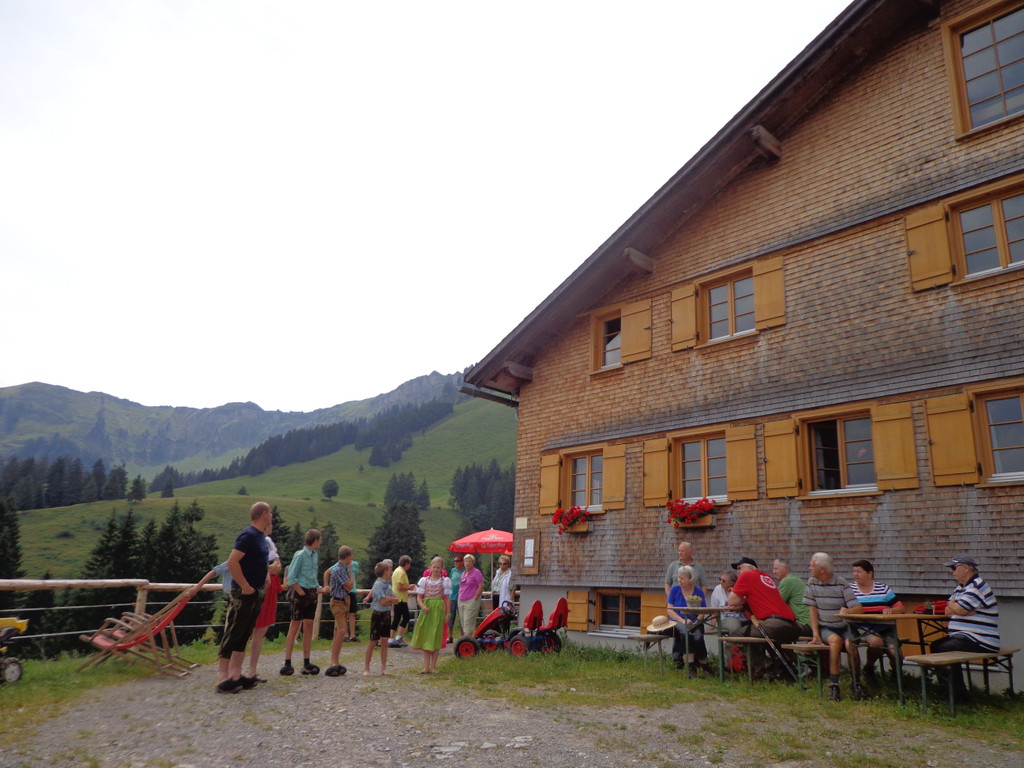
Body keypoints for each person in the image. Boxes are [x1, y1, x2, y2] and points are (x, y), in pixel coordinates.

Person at [214, 501, 272, 694]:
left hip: (257, 591)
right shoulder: (248, 536)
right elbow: (232, 562)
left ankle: (236, 674)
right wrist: (245, 586)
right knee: (234, 631)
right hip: (243, 593)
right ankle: (223, 677)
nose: (271, 516)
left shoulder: (261, 537)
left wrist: (264, 578)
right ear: (264, 514)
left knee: (245, 632)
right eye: (270, 512)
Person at [931, 554, 999, 701]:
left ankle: (956, 695)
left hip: (981, 639)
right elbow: (948, 612)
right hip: (966, 636)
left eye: (953, 568)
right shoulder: (961, 587)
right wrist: (956, 606)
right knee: (936, 646)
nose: (951, 572)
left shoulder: (977, 586)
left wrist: (955, 605)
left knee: (943, 648)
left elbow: (959, 610)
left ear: (966, 568)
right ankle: (951, 691)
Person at [726, 556, 800, 676]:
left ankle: (766, 667)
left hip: (774, 623)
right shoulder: (765, 576)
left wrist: (740, 596)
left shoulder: (747, 576)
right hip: (793, 624)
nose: (738, 572)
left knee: (736, 636)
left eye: (740, 568)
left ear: (751, 568)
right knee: (759, 635)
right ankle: (786, 666)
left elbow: (732, 601)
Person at [804, 552, 862, 702]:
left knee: (850, 645)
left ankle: (857, 683)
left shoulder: (841, 583)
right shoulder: (812, 583)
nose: (809, 568)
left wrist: (849, 611)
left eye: (812, 565)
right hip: (826, 627)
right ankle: (834, 685)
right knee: (835, 641)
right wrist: (815, 634)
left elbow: (858, 608)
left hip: (845, 627)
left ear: (822, 569)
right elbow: (812, 610)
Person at [848, 559, 905, 681]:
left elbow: (901, 608)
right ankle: (868, 667)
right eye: (854, 571)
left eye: (859, 571)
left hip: (885, 627)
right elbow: (844, 608)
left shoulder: (883, 588)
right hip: (863, 627)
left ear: (870, 573)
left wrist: (891, 610)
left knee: (896, 653)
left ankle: (896, 678)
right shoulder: (850, 589)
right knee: (876, 642)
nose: (855, 574)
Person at [280, 528, 323, 676]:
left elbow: (312, 574)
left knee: (309, 626)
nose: (321, 542)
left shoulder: (315, 555)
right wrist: (301, 592)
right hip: (301, 592)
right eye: (320, 539)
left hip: (312, 591)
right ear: (315, 540)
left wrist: (316, 587)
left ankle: (306, 661)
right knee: (294, 625)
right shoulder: (300, 556)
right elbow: (291, 576)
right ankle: (287, 662)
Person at [246, 537, 283, 683]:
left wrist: (266, 568)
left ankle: (252, 671)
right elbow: (253, 565)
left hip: (270, 590)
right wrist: (267, 568)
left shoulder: (268, 541)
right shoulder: (253, 540)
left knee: (261, 631)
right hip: (257, 588)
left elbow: (278, 566)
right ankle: (235, 671)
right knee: (248, 630)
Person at [667, 565, 711, 676]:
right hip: (678, 621)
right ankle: (691, 667)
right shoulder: (675, 590)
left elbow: (703, 610)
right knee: (686, 632)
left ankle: (705, 665)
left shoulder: (698, 592)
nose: (679, 580)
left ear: (690, 579)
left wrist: (697, 621)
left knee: (698, 637)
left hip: (694, 621)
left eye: (682, 578)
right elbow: (670, 610)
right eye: (679, 577)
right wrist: (683, 621)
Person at [410, 555, 451, 674]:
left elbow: (447, 598)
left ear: (442, 569)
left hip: (438, 609)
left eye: (439, 567)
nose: (436, 570)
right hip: (427, 610)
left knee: (436, 637)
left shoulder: (445, 581)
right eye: (434, 567)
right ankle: (426, 667)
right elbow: (419, 597)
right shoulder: (424, 581)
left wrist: (448, 613)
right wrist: (422, 606)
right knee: (427, 637)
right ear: (430, 567)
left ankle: (433, 666)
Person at [322, 545, 354, 677]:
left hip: (343, 601)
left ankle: (335, 660)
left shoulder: (341, 568)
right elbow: (349, 586)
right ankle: (334, 662)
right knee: (342, 630)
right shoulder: (340, 569)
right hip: (338, 602)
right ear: (348, 557)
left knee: (338, 631)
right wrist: (351, 572)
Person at [364, 561, 400, 676]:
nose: (391, 572)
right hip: (378, 614)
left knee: (384, 641)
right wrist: (390, 599)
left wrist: (389, 599)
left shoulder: (388, 585)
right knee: (373, 641)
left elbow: (396, 600)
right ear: (385, 571)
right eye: (389, 570)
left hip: (386, 614)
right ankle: (366, 668)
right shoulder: (378, 585)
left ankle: (383, 668)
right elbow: (383, 601)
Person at [772, 558, 811, 635]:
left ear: (785, 568)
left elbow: (776, 605)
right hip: (810, 624)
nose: (774, 572)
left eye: (776, 569)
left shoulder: (787, 581)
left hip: (803, 623)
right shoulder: (795, 579)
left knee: (774, 629)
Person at [708, 569, 747, 636]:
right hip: (725, 618)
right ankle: (734, 642)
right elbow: (714, 609)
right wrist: (713, 625)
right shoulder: (718, 589)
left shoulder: (740, 588)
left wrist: (734, 592)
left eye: (724, 581)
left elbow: (745, 604)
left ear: (732, 583)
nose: (721, 582)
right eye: (720, 579)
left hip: (743, 619)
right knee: (734, 624)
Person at [389, 555, 413, 648]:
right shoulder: (402, 572)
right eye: (409, 564)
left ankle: (391, 638)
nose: (410, 566)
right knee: (406, 617)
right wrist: (409, 588)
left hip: (396, 597)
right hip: (401, 598)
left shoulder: (396, 570)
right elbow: (399, 587)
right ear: (406, 563)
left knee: (397, 618)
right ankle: (398, 637)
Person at [457, 554, 484, 635]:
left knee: (468, 621)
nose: (467, 563)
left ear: (473, 563)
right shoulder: (463, 573)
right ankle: (467, 638)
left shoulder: (476, 572)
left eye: (469, 561)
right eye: (466, 561)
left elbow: (481, 585)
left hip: (471, 600)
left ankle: (467, 639)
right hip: (461, 600)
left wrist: (476, 596)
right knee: (463, 621)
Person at [447, 554, 465, 641]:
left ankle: (462, 636)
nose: (455, 562)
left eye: (457, 561)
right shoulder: (453, 570)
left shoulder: (465, 571)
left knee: (461, 616)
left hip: (461, 596)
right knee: (451, 616)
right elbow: (450, 580)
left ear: (462, 562)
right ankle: (450, 636)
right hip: (452, 596)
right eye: (454, 561)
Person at [347, 558, 360, 641]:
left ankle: (352, 635)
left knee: (352, 613)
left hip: (353, 590)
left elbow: (356, 576)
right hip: (345, 591)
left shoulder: (355, 564)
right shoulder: (341, 564)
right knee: (344, 614)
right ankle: (345, 635)